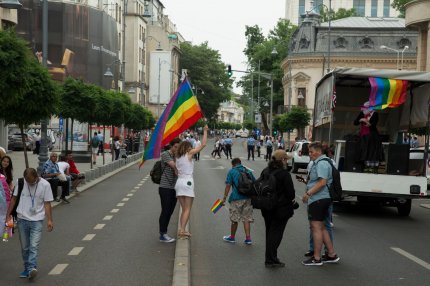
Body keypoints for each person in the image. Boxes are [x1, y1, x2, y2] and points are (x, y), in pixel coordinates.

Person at [5, 168, 53, 280]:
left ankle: (32, 268)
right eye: (27, 181)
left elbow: (47, 203)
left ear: (36, 177)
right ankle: (27, 268)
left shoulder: (45, 185)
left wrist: (50, 220)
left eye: (31, 181)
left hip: (37, 220)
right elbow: (13, 199)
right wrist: (8, 215)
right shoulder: (21, 182)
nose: (29, 183)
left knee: (34, 246)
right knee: (25, 247)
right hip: (22, 219)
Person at [302, 141, 339, 266]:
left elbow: (322, 182)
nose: (310, 154)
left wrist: (308, 194)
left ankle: (316, 258)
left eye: (311, 152)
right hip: (322, 199)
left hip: (318, 199)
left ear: (318, 151)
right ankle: (331, 254)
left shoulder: (322, 163)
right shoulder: (322, 162)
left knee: (316, 228)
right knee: (322, 228)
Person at [260, 150, 296, 268]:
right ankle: (270, 260)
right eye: (286, 159)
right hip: (281, 209)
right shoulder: (284, 174)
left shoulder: (265, 171)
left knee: (269, 232)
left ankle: (271, 258)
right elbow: (290, 193)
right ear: (283, 160)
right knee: (276, 234)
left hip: (266, 207)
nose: (287, 162)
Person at [175, 125, 208, 239]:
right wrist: (205, 131)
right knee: (188, 209)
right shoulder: (188, 154)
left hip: (179, 183)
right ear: (187, 147)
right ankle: (182, 230)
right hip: (187, 182)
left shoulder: (178, 157)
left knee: (184, 209)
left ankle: (182, 229)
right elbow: (203, 145)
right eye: (190, 147)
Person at [221, 158, 255, 245]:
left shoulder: (232, 171)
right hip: (248, 198)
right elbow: (254, 183)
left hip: (236, 198)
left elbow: (228, 185)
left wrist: (224, 198)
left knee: (234, 219)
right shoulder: (248, 171)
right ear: (240, 163)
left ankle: (232, 237)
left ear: (233, 164)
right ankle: (248, 239)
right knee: (246, 218)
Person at [158, 138, 181, 243]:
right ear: (171, 146)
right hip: (165, 187)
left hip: (174, 188)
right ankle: (162, 234)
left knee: (170, 211)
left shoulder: (178, 156)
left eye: (179, 147)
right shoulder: (165, 154)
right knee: (165, 210)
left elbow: (179, 171)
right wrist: (178, 158)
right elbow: (174, 166)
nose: (177, 149)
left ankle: (165, 232)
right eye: (175, 147)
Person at [353, 101, 384, 173]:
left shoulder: (375, 114)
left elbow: (373, 125)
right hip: (363, 135)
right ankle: (365, 166)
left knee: (372, 151)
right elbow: (355, 122)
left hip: (372, 135)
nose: (364, 109)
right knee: (363, 150)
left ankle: (373, 167)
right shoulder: (362, 114)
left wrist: (367, 122)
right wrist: (361, 119)